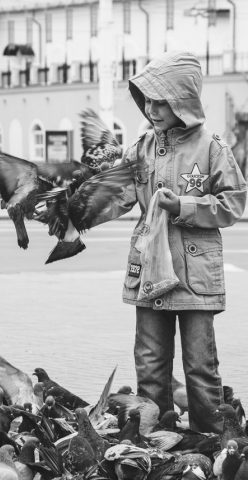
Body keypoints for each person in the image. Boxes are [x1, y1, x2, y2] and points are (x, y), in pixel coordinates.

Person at [95, 51, 247, 433]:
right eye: (146, 100)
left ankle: (210, 441)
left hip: (194, 275)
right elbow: (115, 195)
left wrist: (183, 205)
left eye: (160, 100)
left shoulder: (212, 148)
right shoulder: (141, 147)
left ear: (182, 100)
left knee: (199, 365)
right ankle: (153, 437)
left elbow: (233, 204)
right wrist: (73, 212)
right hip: (150, 270)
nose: (150, 109)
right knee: (149, 363)